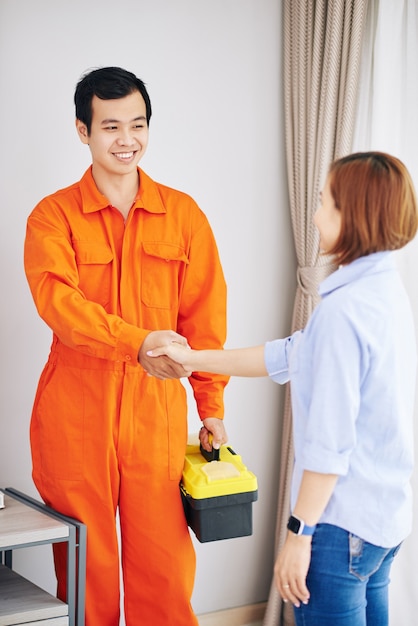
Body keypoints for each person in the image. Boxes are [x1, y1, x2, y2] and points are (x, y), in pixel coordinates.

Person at [148, 152, 418, 626]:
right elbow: (287, 354)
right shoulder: (386, 292)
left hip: (338, 528)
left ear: (352, 215)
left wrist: (298, 534)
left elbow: (329, 447)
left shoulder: (342, 314)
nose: (314, 217)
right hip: (385, 522)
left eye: (324, 203)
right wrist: (193, 360)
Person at [24, 66, 229, 626]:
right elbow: (60, 308)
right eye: (110, 126)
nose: (126, 140)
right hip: (74, 415)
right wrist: (135, 342)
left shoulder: (183, 216)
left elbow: (205, 322)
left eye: (137, 125)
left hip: (155, 415)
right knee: (86, 572)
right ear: (82, 130)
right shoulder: (52, 216)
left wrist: (210, 409)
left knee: (163, 571)